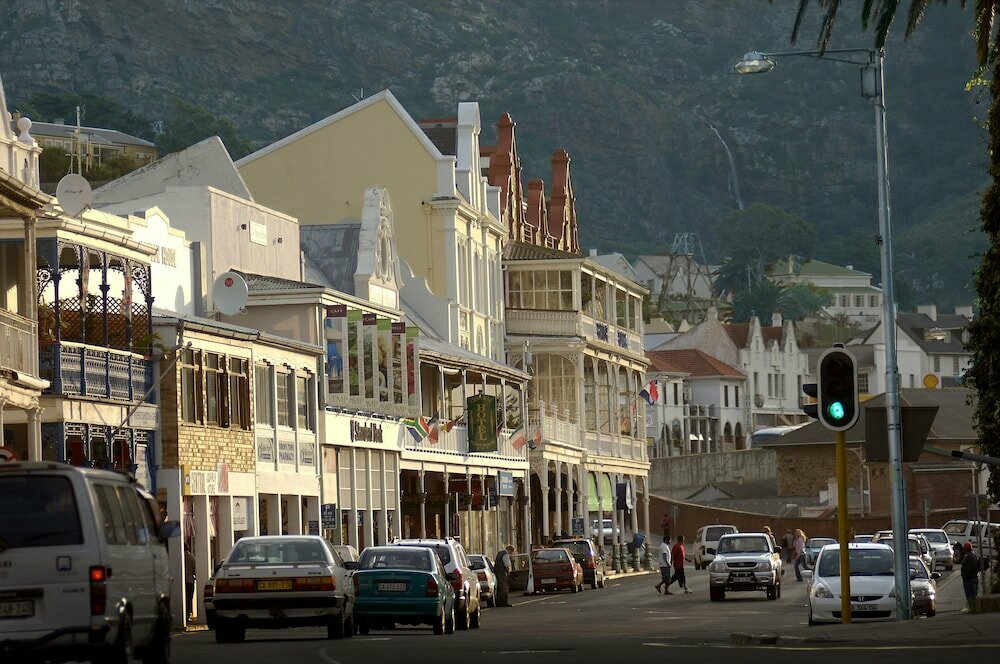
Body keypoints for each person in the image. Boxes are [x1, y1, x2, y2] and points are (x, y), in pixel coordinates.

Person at [961, 541, 979, 610]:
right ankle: (974, 607)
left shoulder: (968, 558)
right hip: (974, 578)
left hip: (969, 580)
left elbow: (967, 570)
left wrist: (964, 577)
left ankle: (972, 608)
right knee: (974, 594)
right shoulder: (974, 556)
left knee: (970, 595)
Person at [184, 546, 197, 620]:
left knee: (185, 598)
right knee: (189, 598)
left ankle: (184, 614)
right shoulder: (191, 557)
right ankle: (188, 614)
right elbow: (194, 569)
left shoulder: (181, 556)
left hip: (183, 581)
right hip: (190, 580)